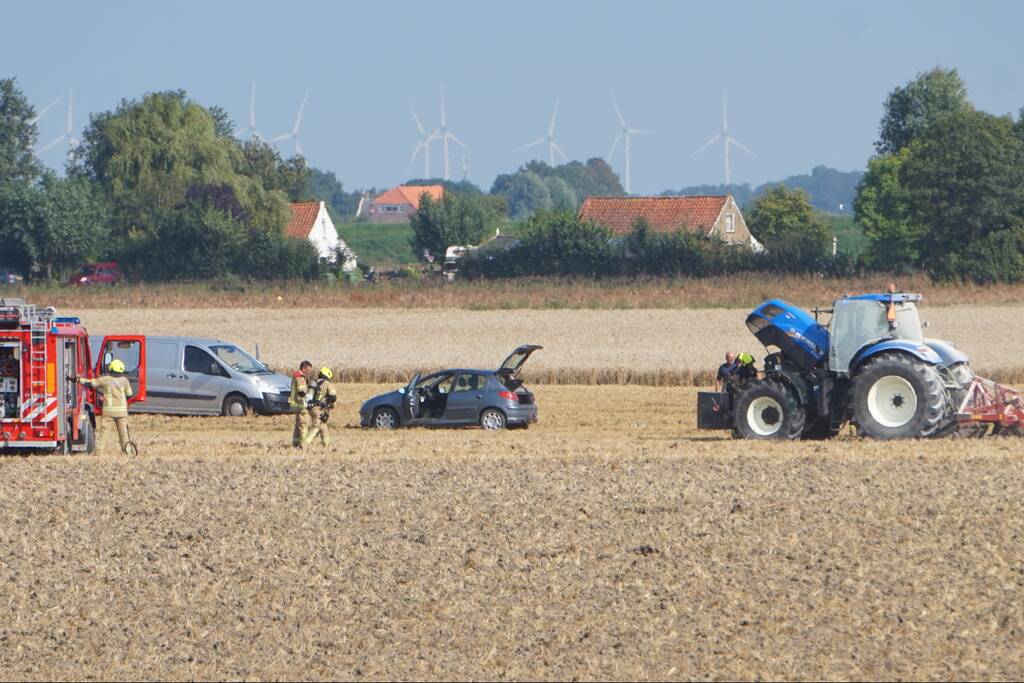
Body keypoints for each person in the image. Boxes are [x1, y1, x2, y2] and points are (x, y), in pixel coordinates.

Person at [75, 359, 133, 456]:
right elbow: (129, 395)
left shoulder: (105, 380)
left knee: (103, 434)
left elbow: (91, 383)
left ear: (111, 369)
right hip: (122, 412)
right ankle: (128, 453)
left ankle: (98, 453)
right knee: (124, 434)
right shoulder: (124, 381)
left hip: (108, 412)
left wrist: (78, 380)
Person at [303, 366, 338, 449]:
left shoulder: (314, 382)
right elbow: (333, 397)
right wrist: (331, 404)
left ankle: (327, 447)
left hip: (311, 408)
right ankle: (304, 445)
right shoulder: (327, 384)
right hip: (319, 408)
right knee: (316, 426)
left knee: (323, 428)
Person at [289, 360, 314, 447]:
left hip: (295, 404)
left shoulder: (295, 375)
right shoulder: (300, 377)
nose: (309, 371)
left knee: (298, 425)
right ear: (303, 368)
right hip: (301, 404)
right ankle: (303, 444)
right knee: (304, 424)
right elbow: (301, 391)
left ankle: (295, 443)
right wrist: (309, 394)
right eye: (308, 370)